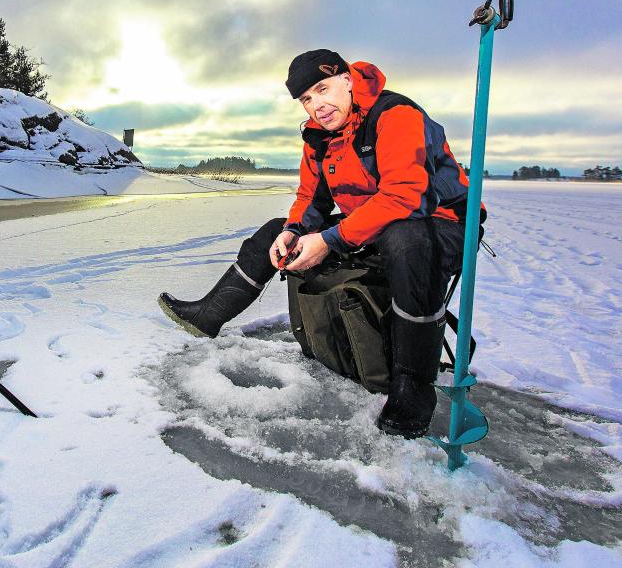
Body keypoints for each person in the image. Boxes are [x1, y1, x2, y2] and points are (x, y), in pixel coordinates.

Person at [157, 49, 473, 438]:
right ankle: (209, 315)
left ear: (347, 79)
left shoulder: (395, 116)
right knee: (276, 229)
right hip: (376, 225)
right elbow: (311, 199)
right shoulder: (319, 138)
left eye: (322, 89)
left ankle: (413, 388)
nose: (317, 106)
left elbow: (405, 197)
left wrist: (330, 240)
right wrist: (293, 230)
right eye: (306, 99)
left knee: (404, 237)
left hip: (443, 224)